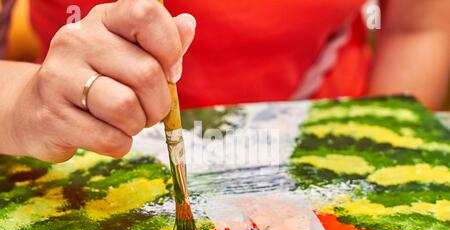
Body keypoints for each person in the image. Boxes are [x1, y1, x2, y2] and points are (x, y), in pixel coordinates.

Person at [0, 0, 449, 163]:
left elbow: (420, 27)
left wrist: (382, 162)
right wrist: (22, 104)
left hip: (327, 144)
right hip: (80, 144)